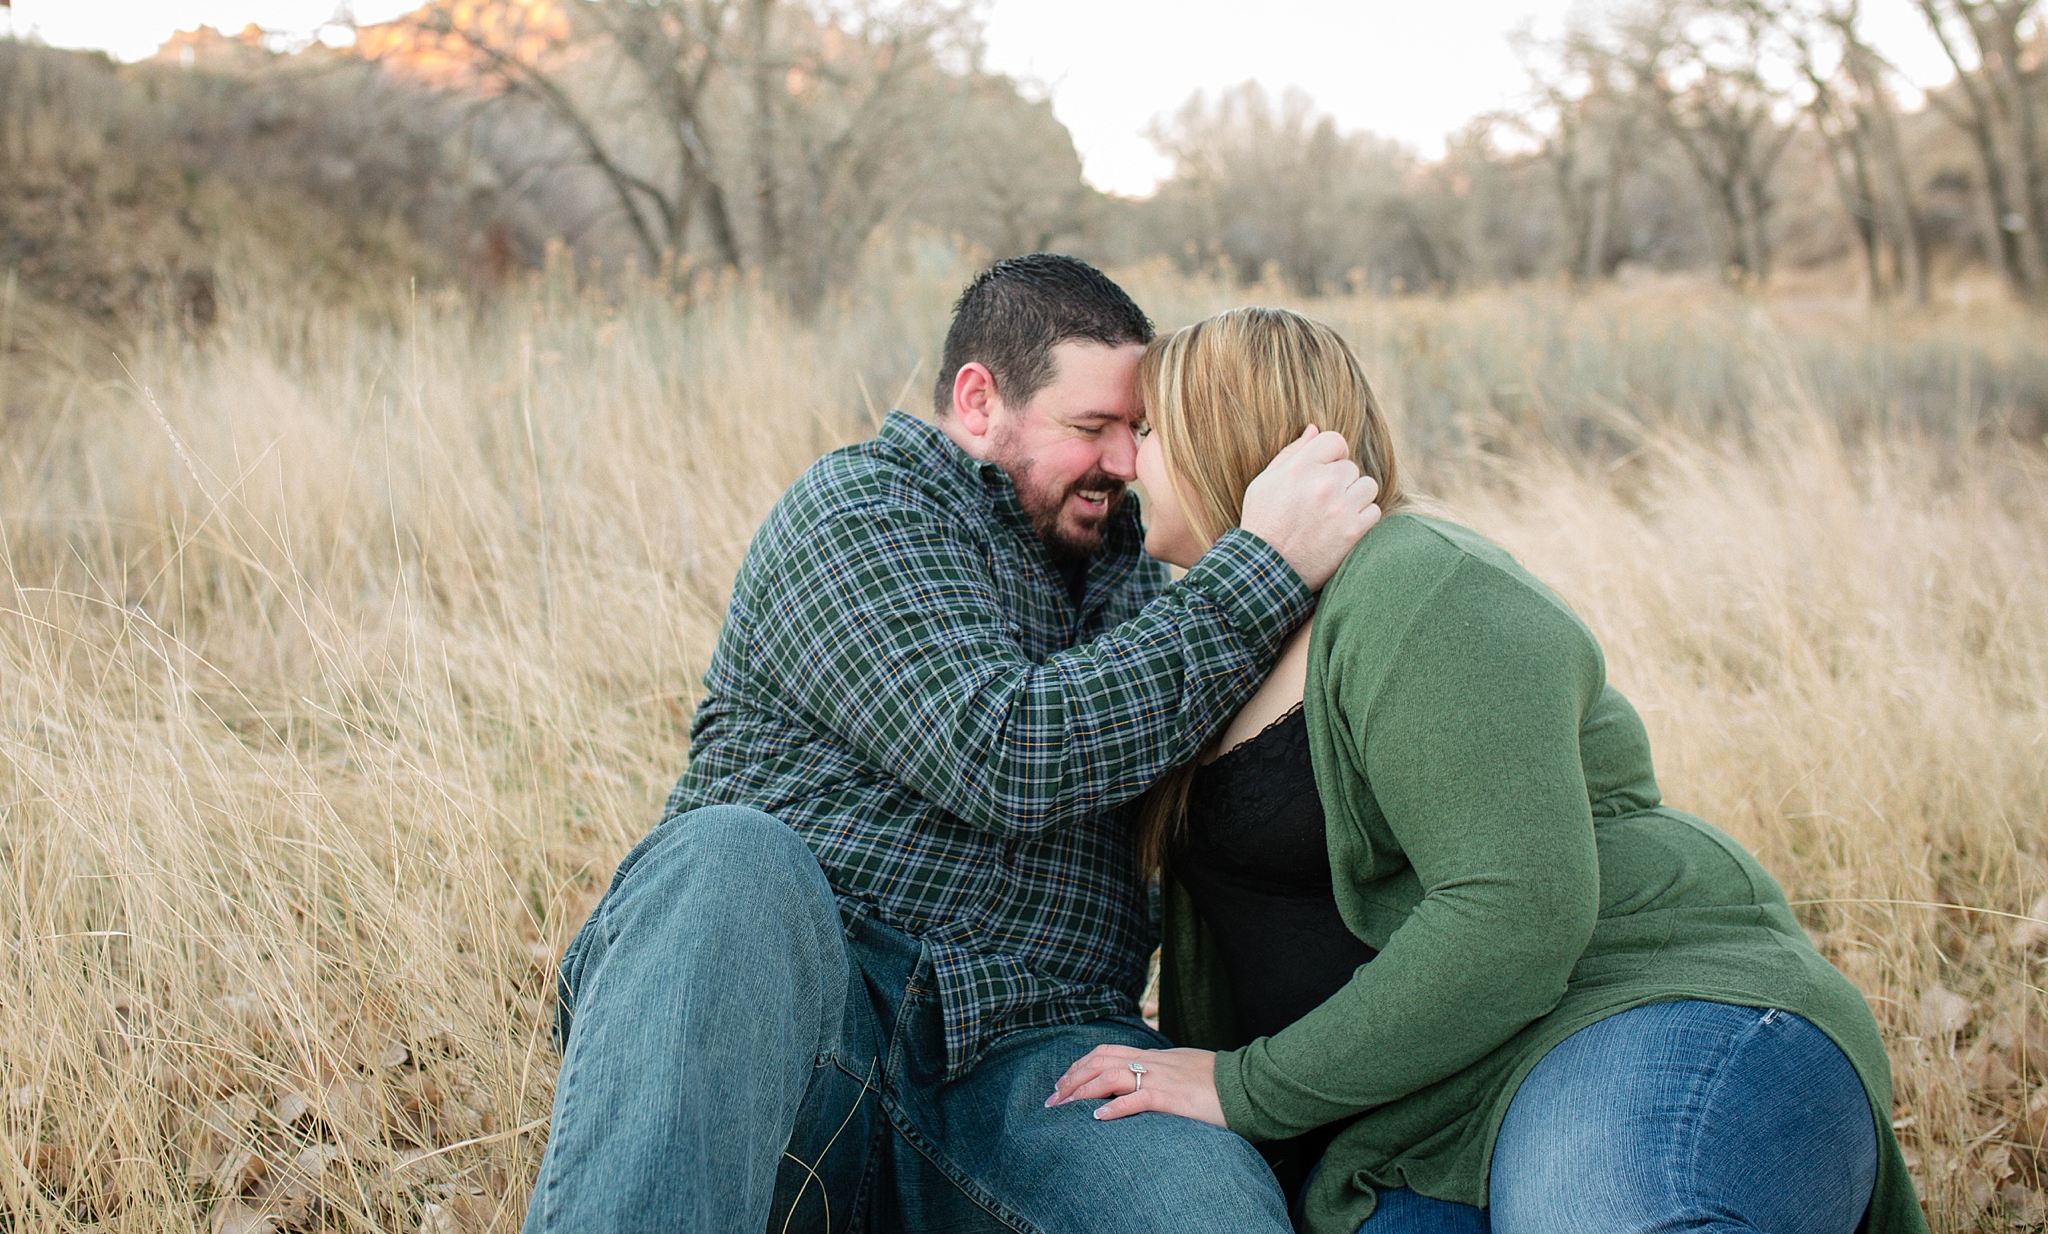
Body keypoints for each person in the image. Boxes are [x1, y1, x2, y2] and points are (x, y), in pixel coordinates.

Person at [520, 258, 1382, 1233]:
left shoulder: (1144, 580)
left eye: (1137, 431)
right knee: (724, 857)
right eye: (1089, 427)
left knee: (1205, 1205)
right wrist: (1263, 564)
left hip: (1042, 1060)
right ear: (978, 402)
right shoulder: (859, 511)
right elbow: (1003, 752)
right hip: (807, 1023)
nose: (1122, 461)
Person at [1048, 307, 1925, 1234]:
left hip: (1622, 1015)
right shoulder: (1220, 631)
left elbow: (1516, 910)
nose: (1121, 461)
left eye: (1146, 430)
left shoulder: (1417, 579)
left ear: (1228, 432)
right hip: (1406, 1124)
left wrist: (1246, 1085)